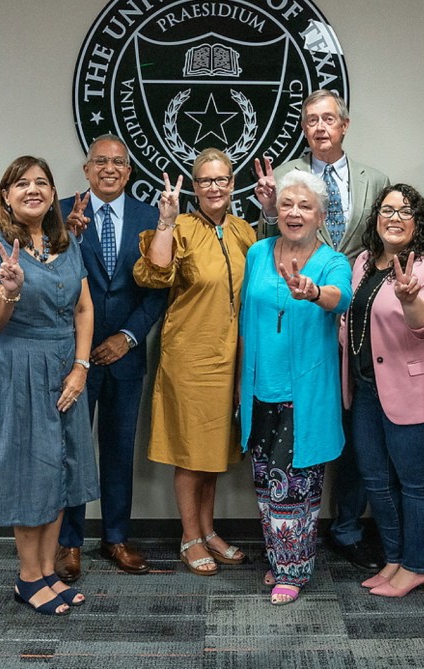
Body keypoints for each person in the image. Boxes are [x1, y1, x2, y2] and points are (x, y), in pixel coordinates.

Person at [253, 89, 389, 571]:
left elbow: (381, 245)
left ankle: (347, 527)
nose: (320, 126)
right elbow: (275, 239)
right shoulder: (286, 178)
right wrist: (271, 210)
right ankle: (288, 540)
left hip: (357, 317)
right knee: (291, 421)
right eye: (311, 120)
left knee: (353, 422)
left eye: (329, 118)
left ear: (344, 124)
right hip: (301, 319)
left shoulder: (376, 179)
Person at [0, 156, 98, 615]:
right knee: (28, 473)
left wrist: (82, 366)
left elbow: (83, 309)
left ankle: (47, 571)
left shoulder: (66, 243)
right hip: (16, 369)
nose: (33, 189)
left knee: (59, 471)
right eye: (21, 183)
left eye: (41, 182)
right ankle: (28, 579)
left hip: (65, 365)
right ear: (6, 195)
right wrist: (11, 290)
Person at [342, 184, 424, 597]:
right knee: (376, 481)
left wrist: (410, 298)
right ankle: (395, 559)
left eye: (405, 210)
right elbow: (357, 318)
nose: (394, 217)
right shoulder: (362, 261)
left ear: (418, 222)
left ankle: (419, 566)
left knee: (416, 484)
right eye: (387, 209)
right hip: (367, 390)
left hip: (421, 393)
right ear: (376, 217)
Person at [133, 148, 255, 576]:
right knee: (191, 453)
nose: (214, 187)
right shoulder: (180, 227)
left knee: (215, 452)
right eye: (205, 181)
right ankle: (189, 536)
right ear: (194, 186)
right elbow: (154, 274)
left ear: (233, 182)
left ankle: (208, 530)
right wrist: (165, 222)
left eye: (221, 179)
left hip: (231, 359)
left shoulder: (245, 232)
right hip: (189, 357)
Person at [56, 134, 167, 583]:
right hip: (69, 358)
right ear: (86, 169)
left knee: (119, 451)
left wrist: (128, 336)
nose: (109, 168)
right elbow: (44, 272)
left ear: (129, 171)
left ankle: (116, 537)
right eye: (100, 161)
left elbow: (160, 287)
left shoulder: (150, 218)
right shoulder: (59, 213)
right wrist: (66, 236)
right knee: (73, 452)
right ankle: (68, 543)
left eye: (118, 162)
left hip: (124, 356)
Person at [239, 170, 353, 605]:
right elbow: (247, 322)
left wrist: (312, 291)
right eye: (287, 204)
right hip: (258, 389)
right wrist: (239, 388)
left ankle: (294, 570)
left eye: (305, 206)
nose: (294, 213)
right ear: (276, 210)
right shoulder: (257, 252)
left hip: (303, 397)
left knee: (297, 485)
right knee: (267, 483)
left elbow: (339, 297)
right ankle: (280, 558)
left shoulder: (332, 261)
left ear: (320, 215)